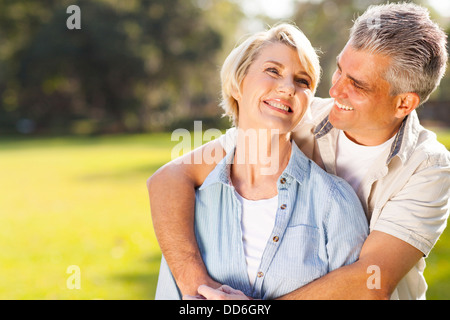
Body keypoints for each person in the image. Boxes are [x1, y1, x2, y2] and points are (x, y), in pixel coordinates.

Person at [148, 3, 450, 300]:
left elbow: (372, 281)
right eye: (340, 71)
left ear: (403, 104)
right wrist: (194, 282)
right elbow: (171, 176)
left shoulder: (428, 167)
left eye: (356, 85)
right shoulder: (298, 116)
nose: (334, 92)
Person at [153, 23, 368, 300]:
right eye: (273, 71)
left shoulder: (335, 202)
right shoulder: (188, 203)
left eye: (303, 81)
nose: (288, 87)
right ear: (237, 83)